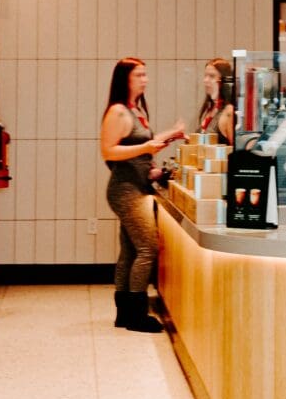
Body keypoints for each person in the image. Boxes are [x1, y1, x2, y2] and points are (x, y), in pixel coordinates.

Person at [100, 57, 185, 333]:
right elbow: (109, 151)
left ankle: (124, 312)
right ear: (125, 78)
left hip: (137, 185)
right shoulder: (118, 112)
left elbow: (138, 147)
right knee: (148, 248)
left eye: (146, 75)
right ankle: (136, 314)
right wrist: (146, 147)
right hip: (126, 190)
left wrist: (167, 137)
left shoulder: (135, 110)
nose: (145, 80)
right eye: (140, 75)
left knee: (130, 251)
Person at [196, 57, 237, 144]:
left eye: (211, 76)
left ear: (223, 80)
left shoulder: (229, 110)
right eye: (205, 76)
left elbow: (234, 149)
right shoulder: (211, 108)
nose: (206, 80)